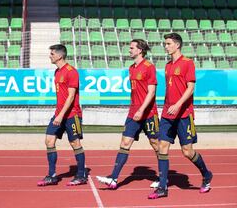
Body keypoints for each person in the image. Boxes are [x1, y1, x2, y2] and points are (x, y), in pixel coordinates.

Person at [148, 33, 213, 199]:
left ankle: (206, 174)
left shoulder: (187, 63)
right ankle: (162, 187)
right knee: (162, 146)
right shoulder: (168, 65)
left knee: (187, 151)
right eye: (165, 43)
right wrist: (168, 106)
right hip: (167, 115)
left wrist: (178, 105)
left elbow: (190, 88)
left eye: (168, 43)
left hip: (184, 114)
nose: (166, 46)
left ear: (177, 45)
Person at [96, 39, 159, 189]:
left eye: (132, 48)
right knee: (125, 143)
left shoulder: (149, 67)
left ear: (140, 50)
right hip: (133, 113)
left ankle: (163, 178)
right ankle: (114, 178)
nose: (129, 50)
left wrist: (141, 110)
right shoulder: (131, 68)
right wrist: (135, 110)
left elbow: (151, 92)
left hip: (149, 113)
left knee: (156, 144)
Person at [37, 44, 87, 186]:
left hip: (72, 115)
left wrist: (61, 116)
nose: (50, 56)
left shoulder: (71, 72)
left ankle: (81, 175)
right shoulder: (57, 72)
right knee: (49, 141)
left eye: (52, 54)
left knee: (75, 143)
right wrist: (58, 114)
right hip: (59, 114)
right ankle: (52, 175)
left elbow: (71, 97)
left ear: (60, 55)